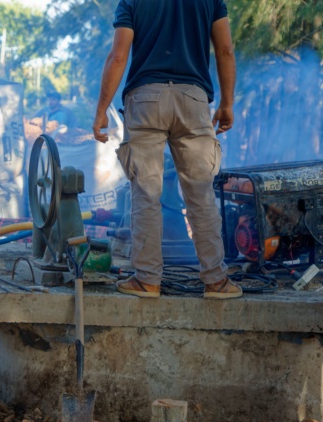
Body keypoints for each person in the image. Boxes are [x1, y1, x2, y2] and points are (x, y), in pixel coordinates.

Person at [92, 0, 241, 299]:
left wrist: (102, 110)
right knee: (200, 192)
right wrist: (226, 104)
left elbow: (118, 56)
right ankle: (216, 281)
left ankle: (147, 280)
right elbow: (225, 51)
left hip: (146, 99)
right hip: (193, 99)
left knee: (146, 193)